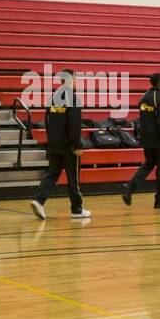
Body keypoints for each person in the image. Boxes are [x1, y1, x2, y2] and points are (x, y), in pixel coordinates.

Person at [29, 69, 91, 221]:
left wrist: (51, 140)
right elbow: (74, 125)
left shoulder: (53, 97)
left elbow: (47, 122)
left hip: (54, 143)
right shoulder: (73, 98)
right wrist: (77, 145)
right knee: (73, 178)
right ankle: (77, 209)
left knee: (52, 173)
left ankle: (39, 200)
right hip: (69, 145)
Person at [122, 73, 160, 209]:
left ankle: (130, 186)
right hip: (159, 141)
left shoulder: (144, 98)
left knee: (149, 164)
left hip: (146, 139)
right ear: (159, 82)